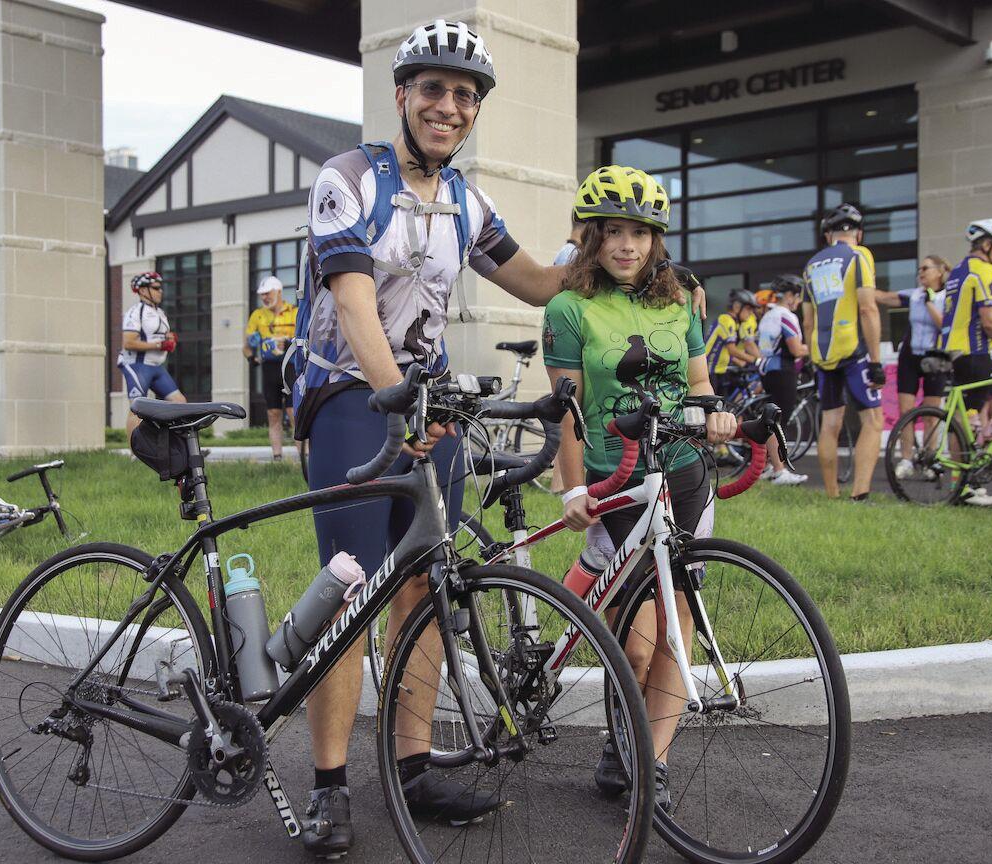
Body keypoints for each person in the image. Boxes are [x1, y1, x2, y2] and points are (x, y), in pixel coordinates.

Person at [287, 22, 706, 857]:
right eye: (433, 91)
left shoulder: (467, 203)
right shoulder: (347, 180)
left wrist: (624, 248)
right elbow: (354, 298)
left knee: (425, 591)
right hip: (345, 397)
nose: (449, 107)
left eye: (464, 96)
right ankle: (328, 784)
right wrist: (391, 397)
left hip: (428, 404)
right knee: (350, 587)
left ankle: (410, 768)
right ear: (402, 95)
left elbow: (538, 280)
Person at [542, 164, 736, 813]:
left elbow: (701, 382)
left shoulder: (678, 298)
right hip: (615, 477)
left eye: (640, 234)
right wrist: (571, 490)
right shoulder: (569, 308)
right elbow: (564, 408)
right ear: (592, 237)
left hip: (682, 477)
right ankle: (621, 734)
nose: (627, 245)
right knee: (635, 637)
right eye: (614, 232)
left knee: (677, 627)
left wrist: (716, 414)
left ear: (657, 242)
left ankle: (646, 762)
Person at [801, 203, 884, 501]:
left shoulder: (811, 266)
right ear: (858, 233)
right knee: (873, 420)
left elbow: (808, 321)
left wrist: (812, 358)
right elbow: (868, 307)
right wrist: (876, 361)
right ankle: (860, 493)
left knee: (831, 423)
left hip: (823, 354)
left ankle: (833, 495)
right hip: (854, 349)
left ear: (827, 235)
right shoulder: (860, 255)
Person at [937, 218, 992, 506]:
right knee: (973, 415)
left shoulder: (959, 269)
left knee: (962, 417)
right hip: (975, 350)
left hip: (955, 349)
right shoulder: (985, 270)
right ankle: (967, 485)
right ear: (986, 244)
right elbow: (989, 319)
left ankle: (959, 485)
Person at [876, 255, 948, 479]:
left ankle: (929, 459)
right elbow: (886, 298)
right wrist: (864, 289)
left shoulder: (947, 297)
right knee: (906, 412)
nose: (921, 273)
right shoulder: (914, 295)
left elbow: (944, 325)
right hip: (910, 355)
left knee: (930, 414)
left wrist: (929, 301)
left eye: (925, 268)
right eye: (919, 269)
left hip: (935, 357)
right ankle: (906, 459)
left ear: (940, 271)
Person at [756, 274, 809, 485]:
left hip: (767, 370)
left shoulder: (768, 315)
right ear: (788, 295)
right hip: (783, 371)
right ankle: (780, 470)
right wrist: (812, 349)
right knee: (778, 423)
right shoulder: (786, 315)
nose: (798, 301)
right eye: (797, 296)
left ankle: (769, 467)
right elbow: (796, 349)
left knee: (771, 419)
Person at [118, 271, 185, 435]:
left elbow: (163, 342)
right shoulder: (135, 312)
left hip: (156, 366)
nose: (160, 291)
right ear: (142, 290)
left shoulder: (160, 313)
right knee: (137, 409)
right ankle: (135, 455)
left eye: (160, 288)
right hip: (136, 364)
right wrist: (158, 344)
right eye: (155, 288)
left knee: (180, 403)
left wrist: (169, 341)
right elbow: (128, 342)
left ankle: (182, 448)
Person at [243, 275, 298, 461]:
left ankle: (304, 456)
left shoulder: (295, 312)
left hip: (291, 367)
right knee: (273, 413)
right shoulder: (257, 315)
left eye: (268, 293)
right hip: (269, 369)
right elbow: (247, 345)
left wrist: (288, 342)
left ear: (279, 292)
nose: (265, 298)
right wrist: (251, 358)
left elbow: (305, 341)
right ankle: (277, 458)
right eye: (262, 295)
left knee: (293, 412)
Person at [704, 289, 760, 395]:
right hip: (709, 372)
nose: (751, 313)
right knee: (713, 409)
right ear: (737, 306)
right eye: (748, 309)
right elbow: (732, 350)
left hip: (720, 371)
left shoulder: (735, 323)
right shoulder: (726, 320)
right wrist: (755, 360)